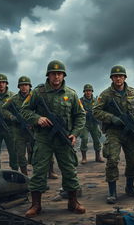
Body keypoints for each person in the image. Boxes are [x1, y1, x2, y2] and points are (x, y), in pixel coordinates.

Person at [21, 60, 86, 217]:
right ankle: (36, 205)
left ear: (63, 75)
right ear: (48, 75)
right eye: (53, 73)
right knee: (39, 171)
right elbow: (24, 110)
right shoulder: (38, 92)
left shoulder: (71, 94)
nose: (56, 76)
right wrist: (37, 118)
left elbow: (80, 115)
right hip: (43, 138)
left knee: (70, 170)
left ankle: (73, 202)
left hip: (64, 138)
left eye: (59, 73)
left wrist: (75, 133)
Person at [93, 65, 134, 204]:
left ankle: (130, 187)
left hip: (131, 132)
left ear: (125, 77)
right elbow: (96, 111)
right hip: (113, 132)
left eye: (121, 76)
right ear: (112, 78)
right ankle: (112, 191)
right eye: (115, 76)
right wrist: (111, 118)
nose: (118, 78)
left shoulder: (133, 93)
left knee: (133, 160)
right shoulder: (105, 94)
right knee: (112, 160)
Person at [80, 84, 103, 164]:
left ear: (92, 91)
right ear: (84, 92)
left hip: (94, 122)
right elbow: (78, 111)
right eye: (86, 91)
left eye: (89, 91)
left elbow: (100, 110)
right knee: (84, 139)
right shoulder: (80, 101)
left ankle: (98, 157)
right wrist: (84, 112)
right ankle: (84, 158)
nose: (88, 92)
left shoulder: (96, 101)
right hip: (84, 123)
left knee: (97, 139)